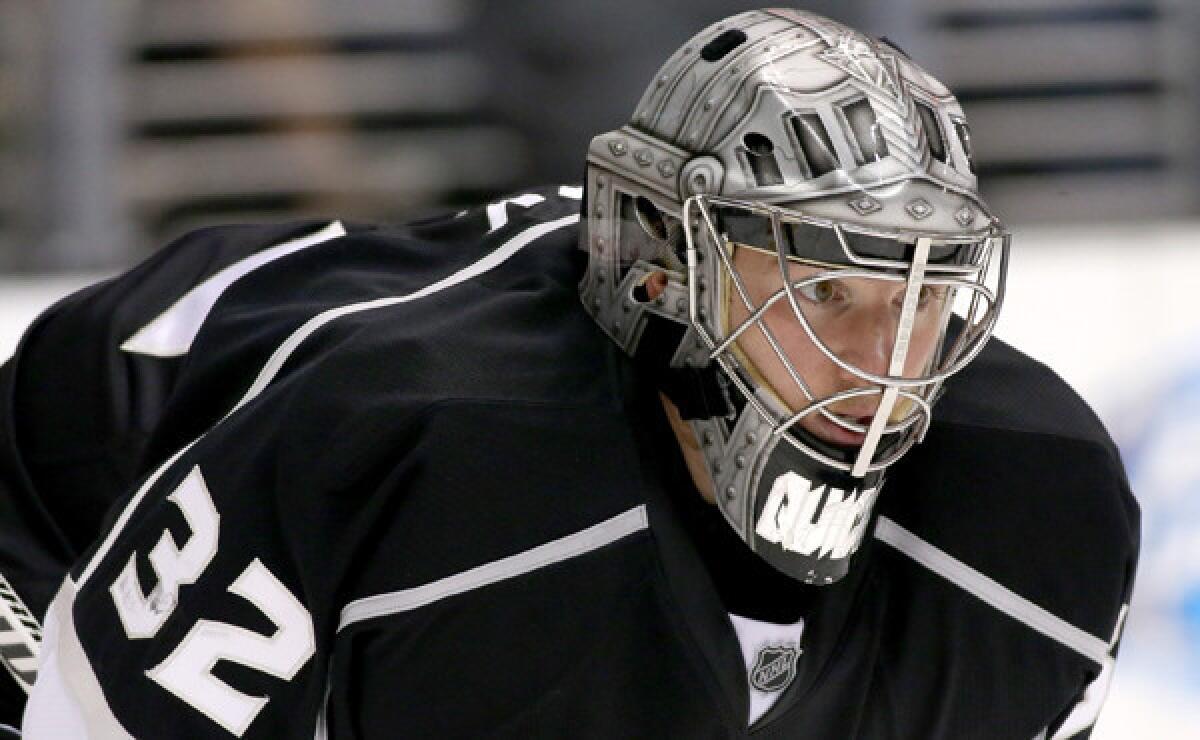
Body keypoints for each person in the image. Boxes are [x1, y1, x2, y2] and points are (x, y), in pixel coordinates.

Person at [2, 9, 1136, 738]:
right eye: (826, 289)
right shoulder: (411, 439)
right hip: (48, 525)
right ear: (664, 268)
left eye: (923, 292)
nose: (885, 366)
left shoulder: (1040, 511)